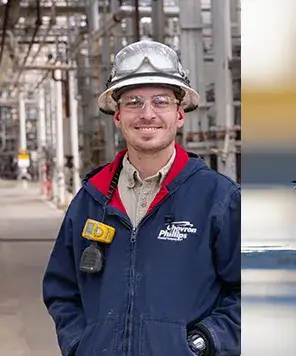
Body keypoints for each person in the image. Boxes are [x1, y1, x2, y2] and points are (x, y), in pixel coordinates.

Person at [42, 40, 241, 356]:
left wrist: (206, 342)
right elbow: (61, 290)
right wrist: (80, 345)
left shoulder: (217, 198)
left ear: (179, 114)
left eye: (160, 101)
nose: (147, 114)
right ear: (117, 116)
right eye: (133, 102)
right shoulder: (90, 200)